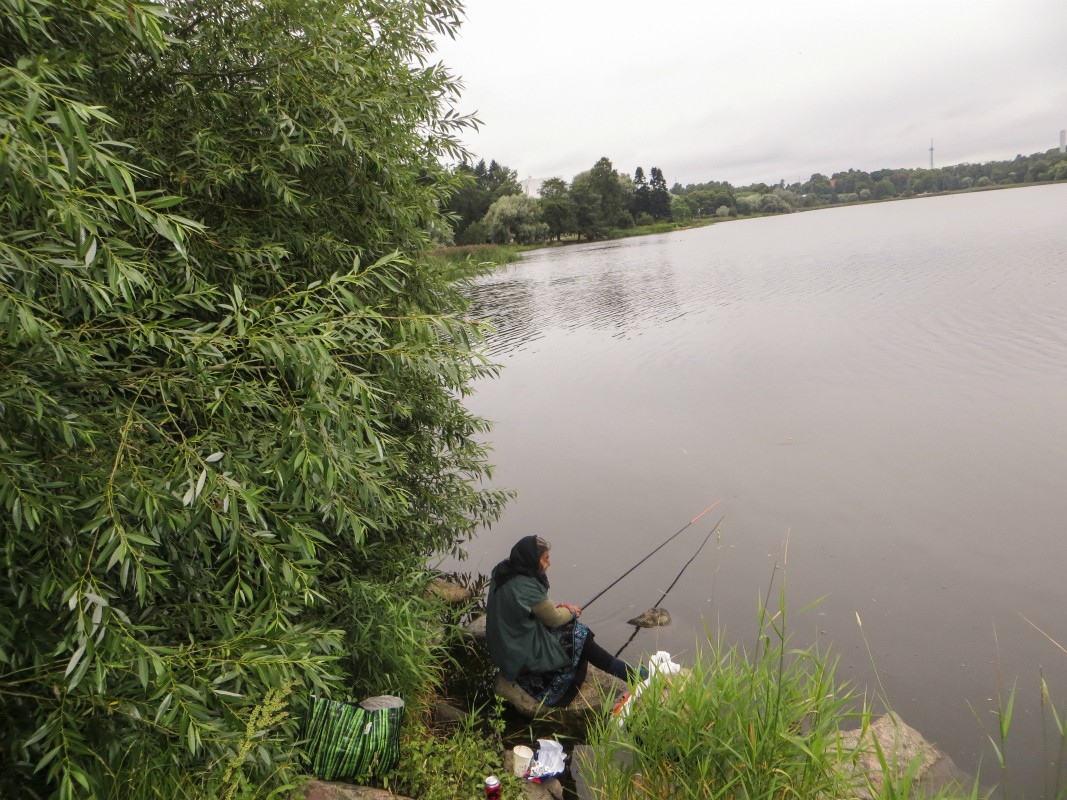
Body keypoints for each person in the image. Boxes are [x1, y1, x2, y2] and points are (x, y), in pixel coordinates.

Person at [485, 535, 643, 707]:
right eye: (545, 559)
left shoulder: (504, 570)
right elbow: (553, 619)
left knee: (574, 632)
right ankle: (635, 675)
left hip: (504, 644)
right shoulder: (527, 586)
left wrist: (559, 609)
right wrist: (572, 612)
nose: (549, 563)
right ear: (532, 559)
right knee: (580, 636)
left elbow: (532, 607)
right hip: (518, 653)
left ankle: (630, 673)